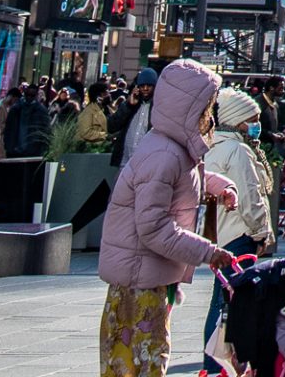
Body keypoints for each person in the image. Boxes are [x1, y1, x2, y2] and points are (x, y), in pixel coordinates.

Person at [95, 57, 242, 377]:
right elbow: (153, 227)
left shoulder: (171, 148)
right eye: (207, 107)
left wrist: (222, 187)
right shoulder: (164, 154)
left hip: (146, 277)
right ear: (188, 109)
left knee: (139, 361)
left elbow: (188, 182)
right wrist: (208, 252)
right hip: (139, 279)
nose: (211, 115)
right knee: (141, 363)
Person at [200, 86, 275, 372]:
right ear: (237, 119)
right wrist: (262, 234)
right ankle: (218, 365)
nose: (256, 126)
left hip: (219, 234)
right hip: (239, 236)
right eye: (251, 120)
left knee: (219, 302)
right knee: (228, 305)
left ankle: (213, 363)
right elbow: (250, 198)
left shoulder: (212, 146)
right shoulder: (238, 151)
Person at [0, 75, 51, 223]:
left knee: (28, 188)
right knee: (14, 187)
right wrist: (10, 148)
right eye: (27, 95)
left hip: (32, 154)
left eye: (32, 95)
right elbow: (9, 130)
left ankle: (23, 213)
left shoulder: (39, 110)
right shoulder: (17, 109)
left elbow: (45, 132)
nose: (29, 98)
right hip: (16, 152)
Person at [116, 65, 159, 168]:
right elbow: (112, 125)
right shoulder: (130, 104)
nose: (145, 89)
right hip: (125, 164)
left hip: (146, 165)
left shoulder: (158, 107)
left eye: (149, 86)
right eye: (142, 85)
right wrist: (128, 105)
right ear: (137, 87)